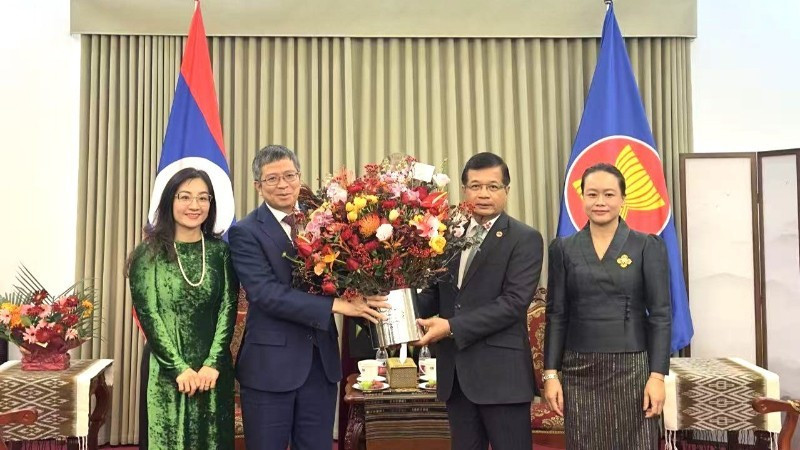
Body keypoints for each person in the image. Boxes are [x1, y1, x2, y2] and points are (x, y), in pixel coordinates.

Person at [228, 145, 390, 450]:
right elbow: (266, 294)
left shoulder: (326, 222)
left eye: (290, 175)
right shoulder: (245, 232)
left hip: (320, 365)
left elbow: (343, 274)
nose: (283, 184)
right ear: (258, 186)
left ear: (299, 177)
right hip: (270, 368)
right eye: (272, 178)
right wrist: (337, 305)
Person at [415, 152, 543, 450]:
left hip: (502, 379)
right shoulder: (447, 237)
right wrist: (397, 312)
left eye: (492, 186)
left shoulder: (524, 238)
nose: (483, 194)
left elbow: (513, 304)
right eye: (475, 186)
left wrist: (450, 327)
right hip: (456, 377)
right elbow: (433, 294)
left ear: (506, 190)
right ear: (464, 190)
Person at [542, 163, 672, 450]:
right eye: (592, 194)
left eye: (609, 194)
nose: (600, 202)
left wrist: (657, 376)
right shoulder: (563, 248)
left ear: (623, 198)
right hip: (578, 368)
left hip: (632, 368)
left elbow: (661, 315)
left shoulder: (646, 246)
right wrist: (550, 373)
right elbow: (557, 314)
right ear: (582, 198)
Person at [128, 167, 238, 449]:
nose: (194, 205)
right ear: (170, 200)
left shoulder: (221, 252)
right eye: (185, 196)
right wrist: (179, 369)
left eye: (203, 198)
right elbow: (148, 316)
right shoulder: (147, 254)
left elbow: (228, 308)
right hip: (166, 371)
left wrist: (213, 363)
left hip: (213, 372)